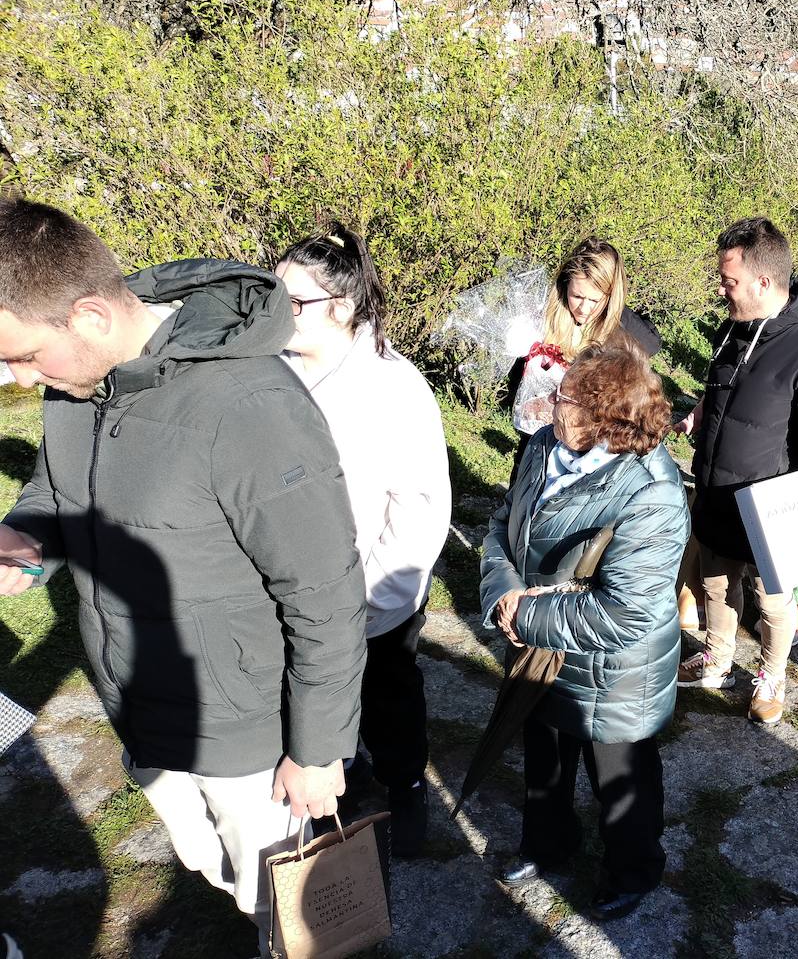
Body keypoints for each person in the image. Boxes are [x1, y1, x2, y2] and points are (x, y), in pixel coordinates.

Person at [0, 199, 366, 951]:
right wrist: (25, 537)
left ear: (92, 315)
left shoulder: (251, 406)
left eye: (25, 355)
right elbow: (57, 487)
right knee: (221, 873)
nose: (14, 374)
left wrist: (318, 749)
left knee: (298, 918)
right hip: (140, 707)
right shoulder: (79, 386)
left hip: (249, 741)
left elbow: (325, 593)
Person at [480, 345, 688, 922]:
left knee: (620, 781)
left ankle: (634, 870)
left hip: (613, 674)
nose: (550, 403)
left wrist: (522, 618)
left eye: (566, 398)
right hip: (541, 649)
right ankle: (548, 845)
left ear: (607, 417)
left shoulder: (652, 492)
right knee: (544, 758)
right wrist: (500, 594)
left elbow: (626, 614)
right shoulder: (548, 445)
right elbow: (504, 525)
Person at [275, 224, 450, 855]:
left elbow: (420, 506)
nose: (280, 310)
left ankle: (406, 790)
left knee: (387, 698)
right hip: (295, 588)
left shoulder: (393, 386)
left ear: (342, 308)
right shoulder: (271, 373)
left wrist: (374, 600)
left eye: (295, 302)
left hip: (373, 591)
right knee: (310, 701)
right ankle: (334, 797)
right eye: (276, 295)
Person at [674, 217, 798, 724]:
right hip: (715, 487)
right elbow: (725, 392)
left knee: (771, 601)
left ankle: (771, 674)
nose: (720, 288)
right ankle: (718, 658)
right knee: (715, 584)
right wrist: (702, 413)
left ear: (763, 283)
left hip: (770, 506)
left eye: (728, 281)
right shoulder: (734, 328)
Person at [508, 238, 660, 467]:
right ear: (565, 285)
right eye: (577, 296)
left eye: (595, 300)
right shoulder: (542, 321)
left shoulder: (622, 337)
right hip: (535, 447)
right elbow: (519, 386)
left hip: (584, 458)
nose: (584, 308)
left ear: (611, 296)